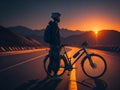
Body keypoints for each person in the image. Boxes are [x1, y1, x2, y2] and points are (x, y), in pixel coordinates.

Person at [45, 12, 61, 80]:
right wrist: (57, 44)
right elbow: (54, 36)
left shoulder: (52, 24)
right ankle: (55, 75)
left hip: (52, 45)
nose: (59, 18)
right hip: (55, 45)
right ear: (56, 17)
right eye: (59, 17)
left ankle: (48, 74)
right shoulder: (55, 25)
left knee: (51, 60)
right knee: (56, 60)